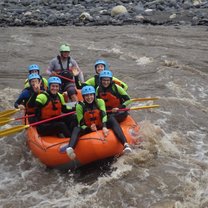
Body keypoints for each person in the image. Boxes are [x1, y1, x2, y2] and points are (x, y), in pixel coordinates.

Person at [65, 85, 132, 160]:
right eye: (86, 95)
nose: (89, 97)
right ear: (83, 96)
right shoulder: (79, 106)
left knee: (111, 119)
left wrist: (104, 126)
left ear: (94, 95)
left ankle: (125, 144)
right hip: (89, 128)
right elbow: (81, 123)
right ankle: (70, 148)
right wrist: (89, 128)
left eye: (91, 95)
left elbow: (104, 114)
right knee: (76, 128)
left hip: (100, 124)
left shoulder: (100, 101)